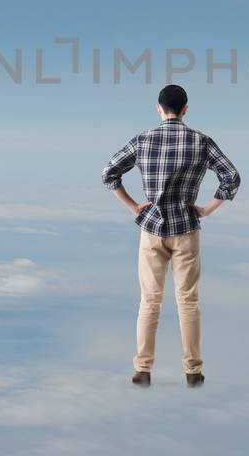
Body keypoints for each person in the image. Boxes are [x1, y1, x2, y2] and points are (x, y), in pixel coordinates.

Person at [101, 83, 241, 387]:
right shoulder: (201, 141)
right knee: (188, 301)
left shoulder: (143, 139)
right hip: (186, 229)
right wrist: (208, 209)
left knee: (149, 301)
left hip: (151, 228)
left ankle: (143, 369)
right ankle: (193, 371)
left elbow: (109, 173)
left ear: (158, 108)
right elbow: (232, 177)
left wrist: (134, 206)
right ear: (186, 109)